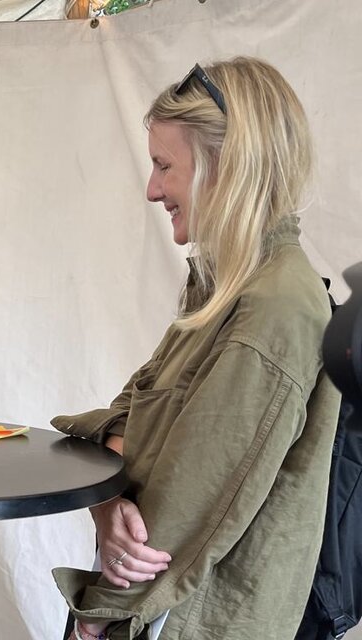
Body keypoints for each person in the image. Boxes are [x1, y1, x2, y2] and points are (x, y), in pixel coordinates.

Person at [50, 57, 342, 639]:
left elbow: (178, 518)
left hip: (186, 619)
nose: (153, 189)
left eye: (164, 166)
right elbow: (131, 411)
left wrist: (100, 616)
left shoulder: (276, 306)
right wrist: (108, 497)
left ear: (226, 166)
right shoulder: (221, 287)